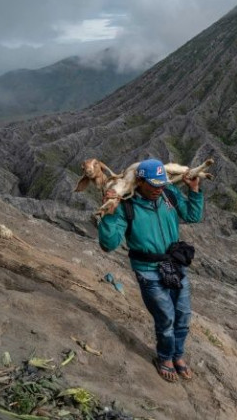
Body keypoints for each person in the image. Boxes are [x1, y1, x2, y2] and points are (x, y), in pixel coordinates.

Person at [97, 158, 203, 382]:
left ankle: (178, 355)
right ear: (140, 181)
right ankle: (165, 357)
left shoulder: (169, 194)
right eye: (154, 185)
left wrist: (194, 190)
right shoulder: (126, 205)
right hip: (148, 270)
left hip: (174, 265)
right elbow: (108, 244)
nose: (158, 189)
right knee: (166, 318)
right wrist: (108, 212)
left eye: (161, 184)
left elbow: (193, 216)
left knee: (182, 316)